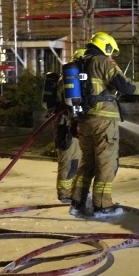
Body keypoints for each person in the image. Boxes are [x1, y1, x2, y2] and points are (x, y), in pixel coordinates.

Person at [69, 32, 139, 217]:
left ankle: (77, 202)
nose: (111, 56)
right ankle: (102, 205)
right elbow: (124, 86)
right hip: (103, 122)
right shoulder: (102, 62)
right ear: (106, 46)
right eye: (110, 52)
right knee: (106, 163)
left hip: (84, 121)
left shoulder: (80, 62)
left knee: (87, 162)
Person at [51, 48, 86, 203]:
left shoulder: (74, 79)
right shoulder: (67, 80)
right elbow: (71, 104)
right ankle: (65, 194)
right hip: (67, 126)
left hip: (72, 125)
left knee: (76, 161)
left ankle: (72, 192)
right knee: (70, 162)